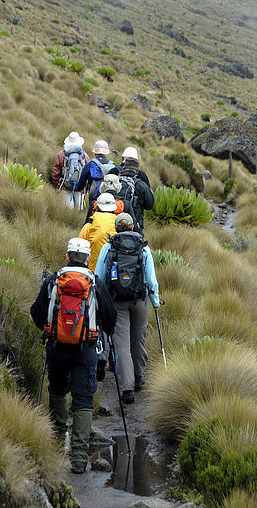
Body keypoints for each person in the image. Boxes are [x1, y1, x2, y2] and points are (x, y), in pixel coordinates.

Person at [31, 238, 116, 474]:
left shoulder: (53, 281)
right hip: (85, 350)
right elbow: (110, 319)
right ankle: (78, 459)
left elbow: (36, 313)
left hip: (57, 349)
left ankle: (57, 447)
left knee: (57, 391)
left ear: (67, 256)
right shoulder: (95, 283)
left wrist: (51, 330)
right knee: (83, 401)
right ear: (88, 259)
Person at [95, 213, 159, 404]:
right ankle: (139, 377)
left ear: (116, 228)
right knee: (138, 339)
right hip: (139, 301)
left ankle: (127, 388)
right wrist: (155, 301)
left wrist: (100, 303)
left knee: (121, 344)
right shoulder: (143, 248)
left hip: (116, 302)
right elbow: (151, 280)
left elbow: (99, 277)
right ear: (133, 227)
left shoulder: (108, 248)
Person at [79, 192, 117, 272]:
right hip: (114, 271)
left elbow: (80, 250)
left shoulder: (89, 226)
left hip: (93, 271)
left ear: (97, 207)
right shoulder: (119, 226)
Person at [51, 132, 90, 209]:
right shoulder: (84, 155)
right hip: (79, 188)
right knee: (78, 210)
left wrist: (55, 186)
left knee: (67, 210)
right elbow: (88, 171)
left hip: (65, 187)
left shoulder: (61, 154)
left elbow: (56, 172)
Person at [116, 157, 154, 233]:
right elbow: (150, 205)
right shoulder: (141, 185)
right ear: (137, 171)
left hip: (116, 222)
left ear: (124, 169)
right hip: (134, 225)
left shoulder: (115, 182)